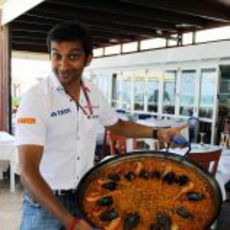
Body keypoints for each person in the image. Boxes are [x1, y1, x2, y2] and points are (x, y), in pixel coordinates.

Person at [16, 22, 186, 230]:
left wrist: (159, 133)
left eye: (73, 56)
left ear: (88, 59)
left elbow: (118, 125)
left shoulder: (92, 92)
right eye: (56, 55)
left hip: (85, 197)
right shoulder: (35, 98)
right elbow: (27, 171)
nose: (63, 65)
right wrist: (70, 222)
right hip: (45, 205)